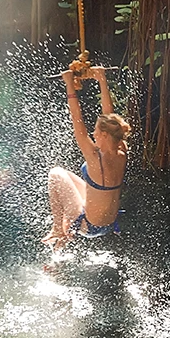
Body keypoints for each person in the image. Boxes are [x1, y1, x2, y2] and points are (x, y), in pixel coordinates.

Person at [42, 65, 131, 250]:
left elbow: (77, 119)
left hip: (88, 225)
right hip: (109, 223)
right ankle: (60, 247)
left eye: (96, 132)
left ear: (105, 135)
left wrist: (69, 85)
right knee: (68, 178)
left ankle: (58, 229)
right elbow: (110, 117)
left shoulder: (95, 158)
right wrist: (101, 79)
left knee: (56, 174)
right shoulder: (122, 149)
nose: (93, 134)